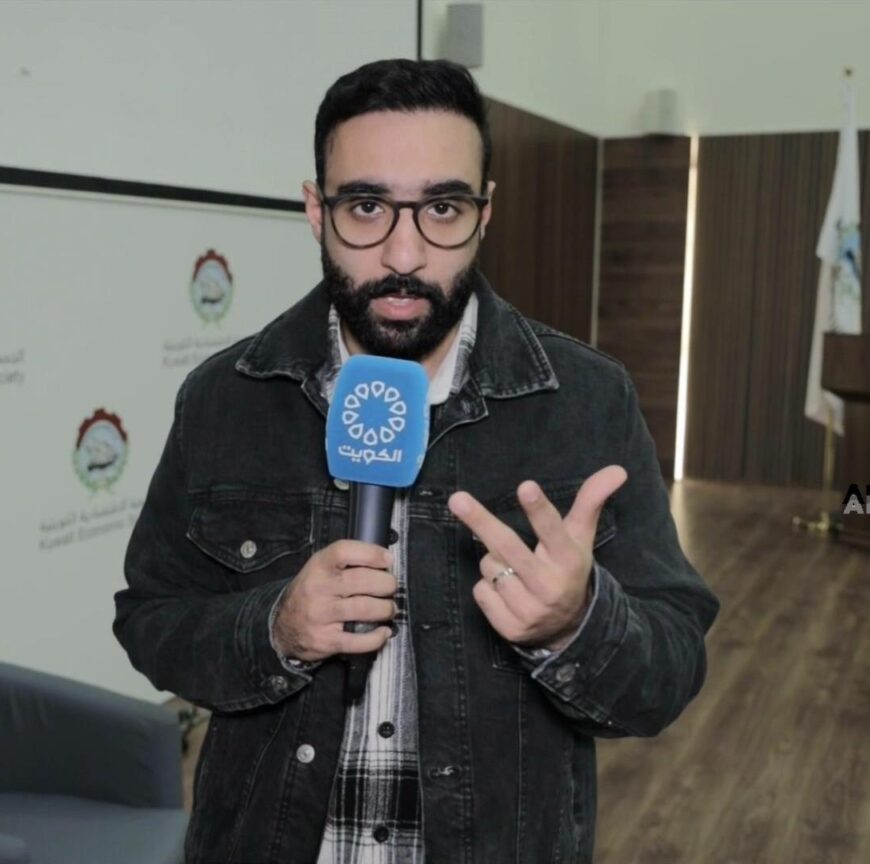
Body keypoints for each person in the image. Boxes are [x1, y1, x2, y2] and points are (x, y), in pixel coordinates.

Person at [113, 58, 720, 864]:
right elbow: (151, 619)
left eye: (442, 207)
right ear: (316, 210)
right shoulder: (227, 397)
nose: (404, 253)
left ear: (485, 214)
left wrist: (579, 623)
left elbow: (670, 669)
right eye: (366, 205)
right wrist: (276, 628)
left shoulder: (585, 400)